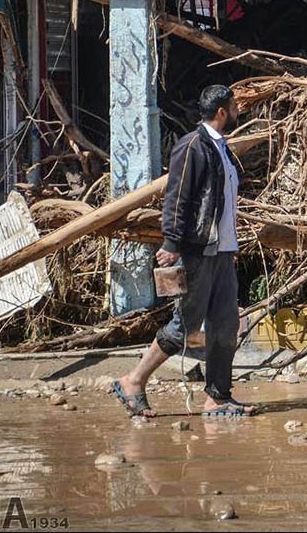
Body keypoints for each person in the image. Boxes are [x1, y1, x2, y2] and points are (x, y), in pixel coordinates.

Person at [112, 85, 256, 418]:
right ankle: (134, 380)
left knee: (225, 324)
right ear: (221, 111)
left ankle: (218, 397)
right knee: (186, 324)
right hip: (199, 251)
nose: (237, 110)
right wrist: (172, 244)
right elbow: (178, 197)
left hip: (222, 252)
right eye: (234, 106)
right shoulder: (192, 147)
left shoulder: (220, 148)